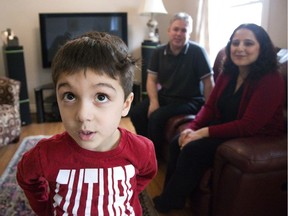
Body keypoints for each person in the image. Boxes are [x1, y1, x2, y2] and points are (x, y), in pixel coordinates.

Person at [16, 32, 157, 215]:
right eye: (70, 96)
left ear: (125, 104)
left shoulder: (142, 150)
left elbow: (146, 174)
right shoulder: (45, 154)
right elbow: (26, 178)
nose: (82, 115)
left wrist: (129, 194)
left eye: (101, 96)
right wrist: (44, 208)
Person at [153, 23, 286, 213]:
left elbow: (249, 125)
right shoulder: (228, 72)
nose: (240, 48)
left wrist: (202, 133)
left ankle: (170, 200)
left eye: (248, 43)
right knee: (178, 141)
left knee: (193, 148)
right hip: (229, 126)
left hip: (256, 136)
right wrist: (192, 127)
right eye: (235, 43)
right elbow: (209, 106)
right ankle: (174, 197)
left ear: (262, 48)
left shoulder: (271, 79)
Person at [130, 12, 214, 157]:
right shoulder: (158, 52)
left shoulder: (198, 52)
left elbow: (208, 82)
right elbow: (151, 79)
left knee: (156, 117)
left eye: (184, 30)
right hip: (166, 96)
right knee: (137, 112)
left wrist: (209, 108)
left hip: (190, 100)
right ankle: (145, 147)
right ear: (169, 31)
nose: (179, 34)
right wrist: (154, 102)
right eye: (176, 29)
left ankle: (152, 156)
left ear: (189, 33)